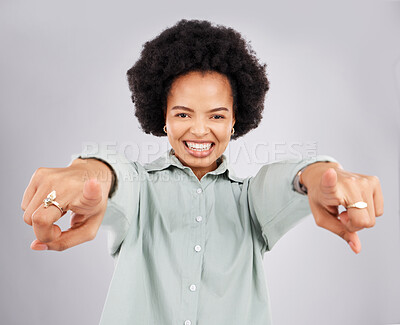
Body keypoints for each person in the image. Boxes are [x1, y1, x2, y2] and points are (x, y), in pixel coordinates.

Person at [21, 19, 384, 325]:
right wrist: (86, 172)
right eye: (182, 114)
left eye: (216, 115)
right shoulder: (141, 189)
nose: (198, 130)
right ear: (162, 117)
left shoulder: (249, 201)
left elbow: (284, 183)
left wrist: (320, 176)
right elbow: (114, 180)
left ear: (235, 120)